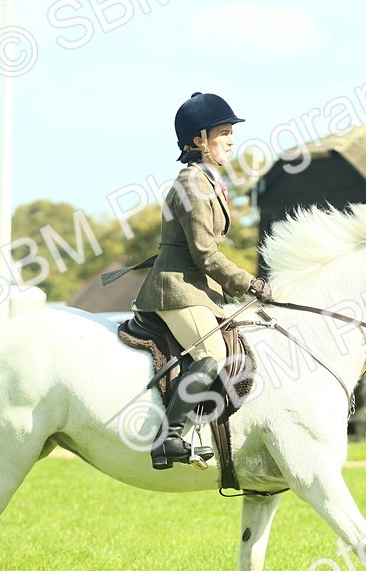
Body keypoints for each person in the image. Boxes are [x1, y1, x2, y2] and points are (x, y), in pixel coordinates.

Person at [133, 92, 272, 470]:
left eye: (231, 133)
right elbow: (205, 255)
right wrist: (251, 284)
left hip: (197, 289)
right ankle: (170, 438)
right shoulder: (193, 183)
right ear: (198, 141)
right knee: (212, 355)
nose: (231, 140)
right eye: (223, 132)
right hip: (176, 290)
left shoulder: (208, 180)